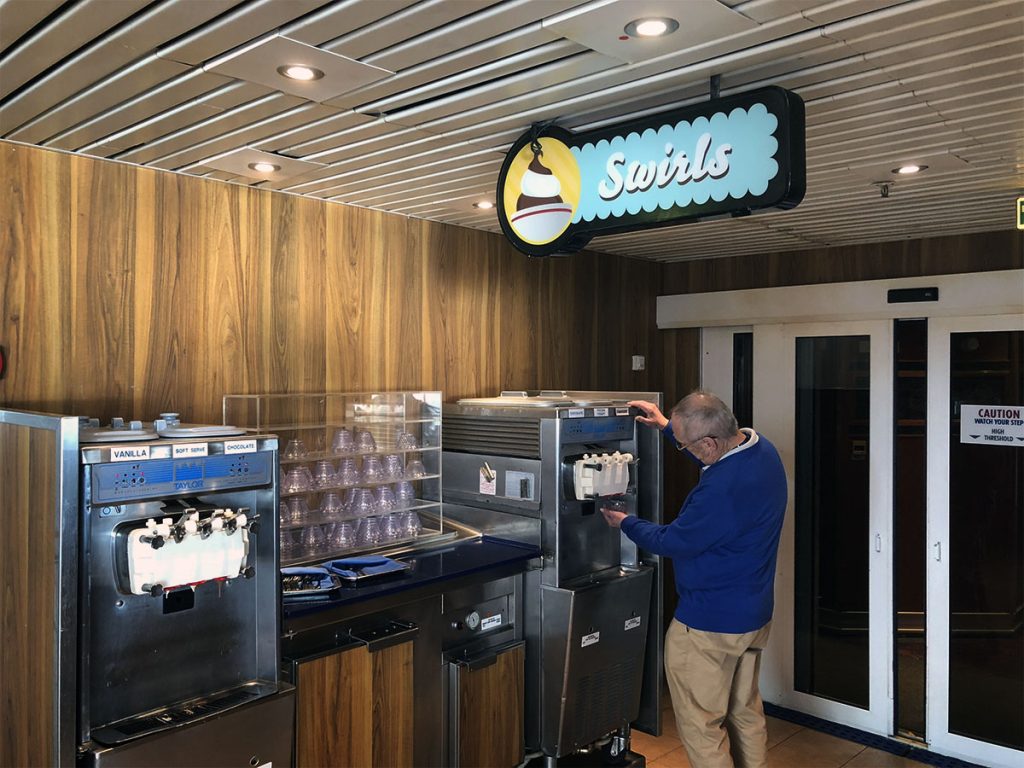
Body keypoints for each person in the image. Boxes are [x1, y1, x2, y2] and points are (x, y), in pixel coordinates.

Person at [601, 391, 786, 768]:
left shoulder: (722, 490)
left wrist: (627, 524)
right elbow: (716, 459)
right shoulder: (761, 450)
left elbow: (675, 540)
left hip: (709, 624)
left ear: (710, 442)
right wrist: (668, 430)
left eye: (688, 444)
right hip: (753, 616)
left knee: (703, 725)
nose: (685, 448)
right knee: (745, 713)